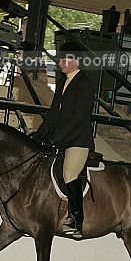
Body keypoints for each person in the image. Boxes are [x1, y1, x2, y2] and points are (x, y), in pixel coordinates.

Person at [33, 42, 96, 239]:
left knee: (69, 173)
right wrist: (39, 135)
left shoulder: (85, 85)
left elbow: (78, 118)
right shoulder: (62, 83)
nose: (59, 63)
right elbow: (54, 114)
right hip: (62, 137)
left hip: (78, 139)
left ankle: (76, 220)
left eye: (63, 59)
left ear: (75, 60)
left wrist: (55, 138)